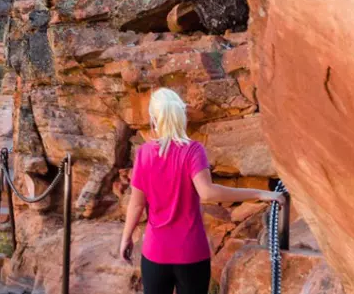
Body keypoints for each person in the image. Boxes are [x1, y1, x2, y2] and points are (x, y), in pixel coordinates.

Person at [118, 88, 284, 294]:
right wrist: (259, 193)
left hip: (156, 252)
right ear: (181, 116)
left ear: (154, 119)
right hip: (190, 252)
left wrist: (126, 238)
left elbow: (136, 203)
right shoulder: (193, 150)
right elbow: (207, 193)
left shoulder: (144, 154)